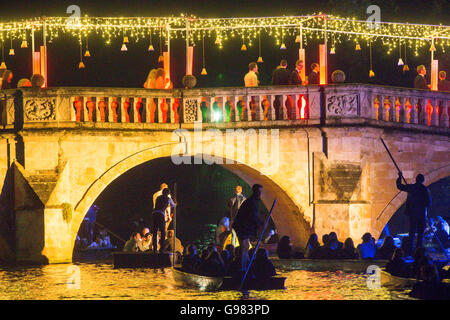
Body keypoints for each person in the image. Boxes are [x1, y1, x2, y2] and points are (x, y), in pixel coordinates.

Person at [396, 172, 431, 256]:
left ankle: (409, 252)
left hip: (413, 214)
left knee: (411, 233)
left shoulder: (412, 187)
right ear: (422, 180)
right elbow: (428, 203)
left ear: (416, 179)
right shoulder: (424, 189)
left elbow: (400, 186)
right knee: (420, 234)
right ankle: (419, 252)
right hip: (421, 214)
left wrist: (399, 177)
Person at [232, 184, 264, 274]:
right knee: (244, 247)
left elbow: (254, 216)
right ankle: (242, 269)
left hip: (243, 227)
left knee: (245, 247)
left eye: (261, 192)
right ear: (255, 191)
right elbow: (253, 215)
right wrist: (261, 223)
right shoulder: (251, 202)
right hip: (241, 226)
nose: (260, 194)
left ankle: (246, 267)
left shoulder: (252, 201)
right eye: (259, 192)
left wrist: (260, 223)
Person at [152, 188, 176, 252]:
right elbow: (173, 205)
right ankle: (162, 248)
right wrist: (176, 203)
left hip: (154, 214)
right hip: (160, 214)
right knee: (163, 231)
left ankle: (155, 248)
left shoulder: (158, 197)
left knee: (155, 231)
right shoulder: (168, 198)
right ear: (168, 193)